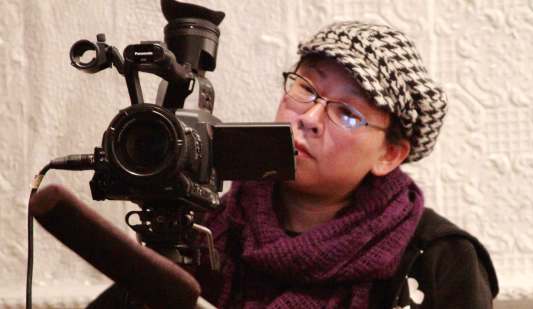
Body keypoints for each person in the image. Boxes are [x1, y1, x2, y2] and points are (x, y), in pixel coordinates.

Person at [195, 21, 499, 309]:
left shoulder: (439, 258)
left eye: (347, 113)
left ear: (389, 155)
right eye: (306, 88)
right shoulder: (207, 228)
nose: (310, 119)